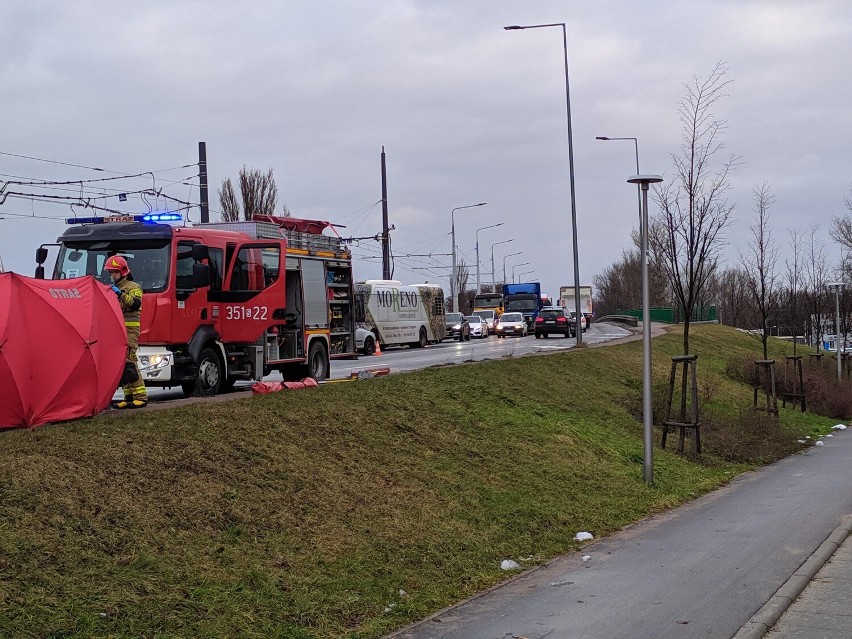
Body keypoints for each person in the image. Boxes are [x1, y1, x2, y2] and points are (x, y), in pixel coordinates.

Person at [104, 255, 148, 409]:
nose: (112, 275)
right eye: (110, 273)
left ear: (123, 271)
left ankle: (141, 397)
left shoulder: (133, 287)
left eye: (114, 272)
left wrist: (120, 294)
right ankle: (128, 397)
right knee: (121, 363)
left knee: (130, 361)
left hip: (130, 330)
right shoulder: (113, 288)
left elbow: (136, 304)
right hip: (119, 330)